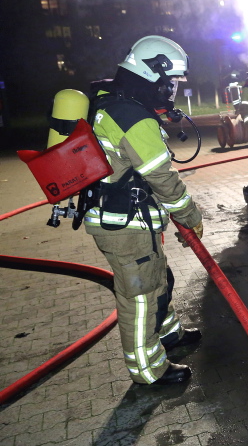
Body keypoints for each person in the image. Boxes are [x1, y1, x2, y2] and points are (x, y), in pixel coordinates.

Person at [84, 35, 204, 385]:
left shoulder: (113, 102)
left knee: (158, 280)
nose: (171, 90)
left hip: (128, 222)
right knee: (140, 297)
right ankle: (148, 371)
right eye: (170, 82)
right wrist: (191, 219)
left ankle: (169, 335)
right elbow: (164, 180)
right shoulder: (133, 117)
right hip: (124, 227)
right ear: (152, 73)